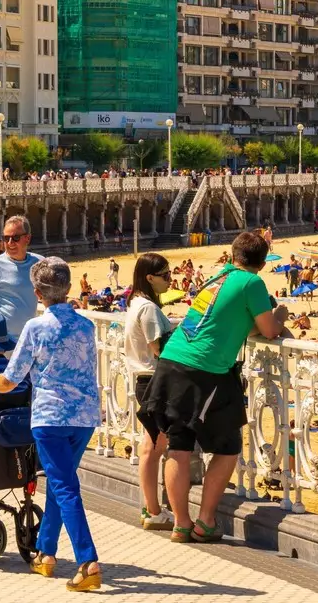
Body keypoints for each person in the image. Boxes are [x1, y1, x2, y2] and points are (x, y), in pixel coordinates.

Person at [145, 230, 288, 543]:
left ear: (233, 255)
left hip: (172, 362)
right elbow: (268, 329)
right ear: (262, 264)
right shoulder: (252, 283)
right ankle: (205, 520)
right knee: (227, 448)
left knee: (179, 446)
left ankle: (181, 524)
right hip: (204, 369)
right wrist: (280, 314)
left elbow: (224, 318)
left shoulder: (216, 278)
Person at [0, 257, 104, 591]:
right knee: (63, 483)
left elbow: (10, 380)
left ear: (36, 293)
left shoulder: (35, 328)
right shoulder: (86, 326)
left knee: (64, 487)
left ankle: (88, 562)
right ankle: (46, 553)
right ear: (69, 289)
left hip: (50, 418)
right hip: (85, 416)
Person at [122, 252, 176, 529]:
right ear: (150, 277)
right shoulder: (149, 309)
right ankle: (154, 511)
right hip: (155, 380)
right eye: (165, 275)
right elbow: (160, 348)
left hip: (143, 380)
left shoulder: (135, 304)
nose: (170, 279)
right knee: (155, 447)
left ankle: (150, 508)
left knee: (150, 444)